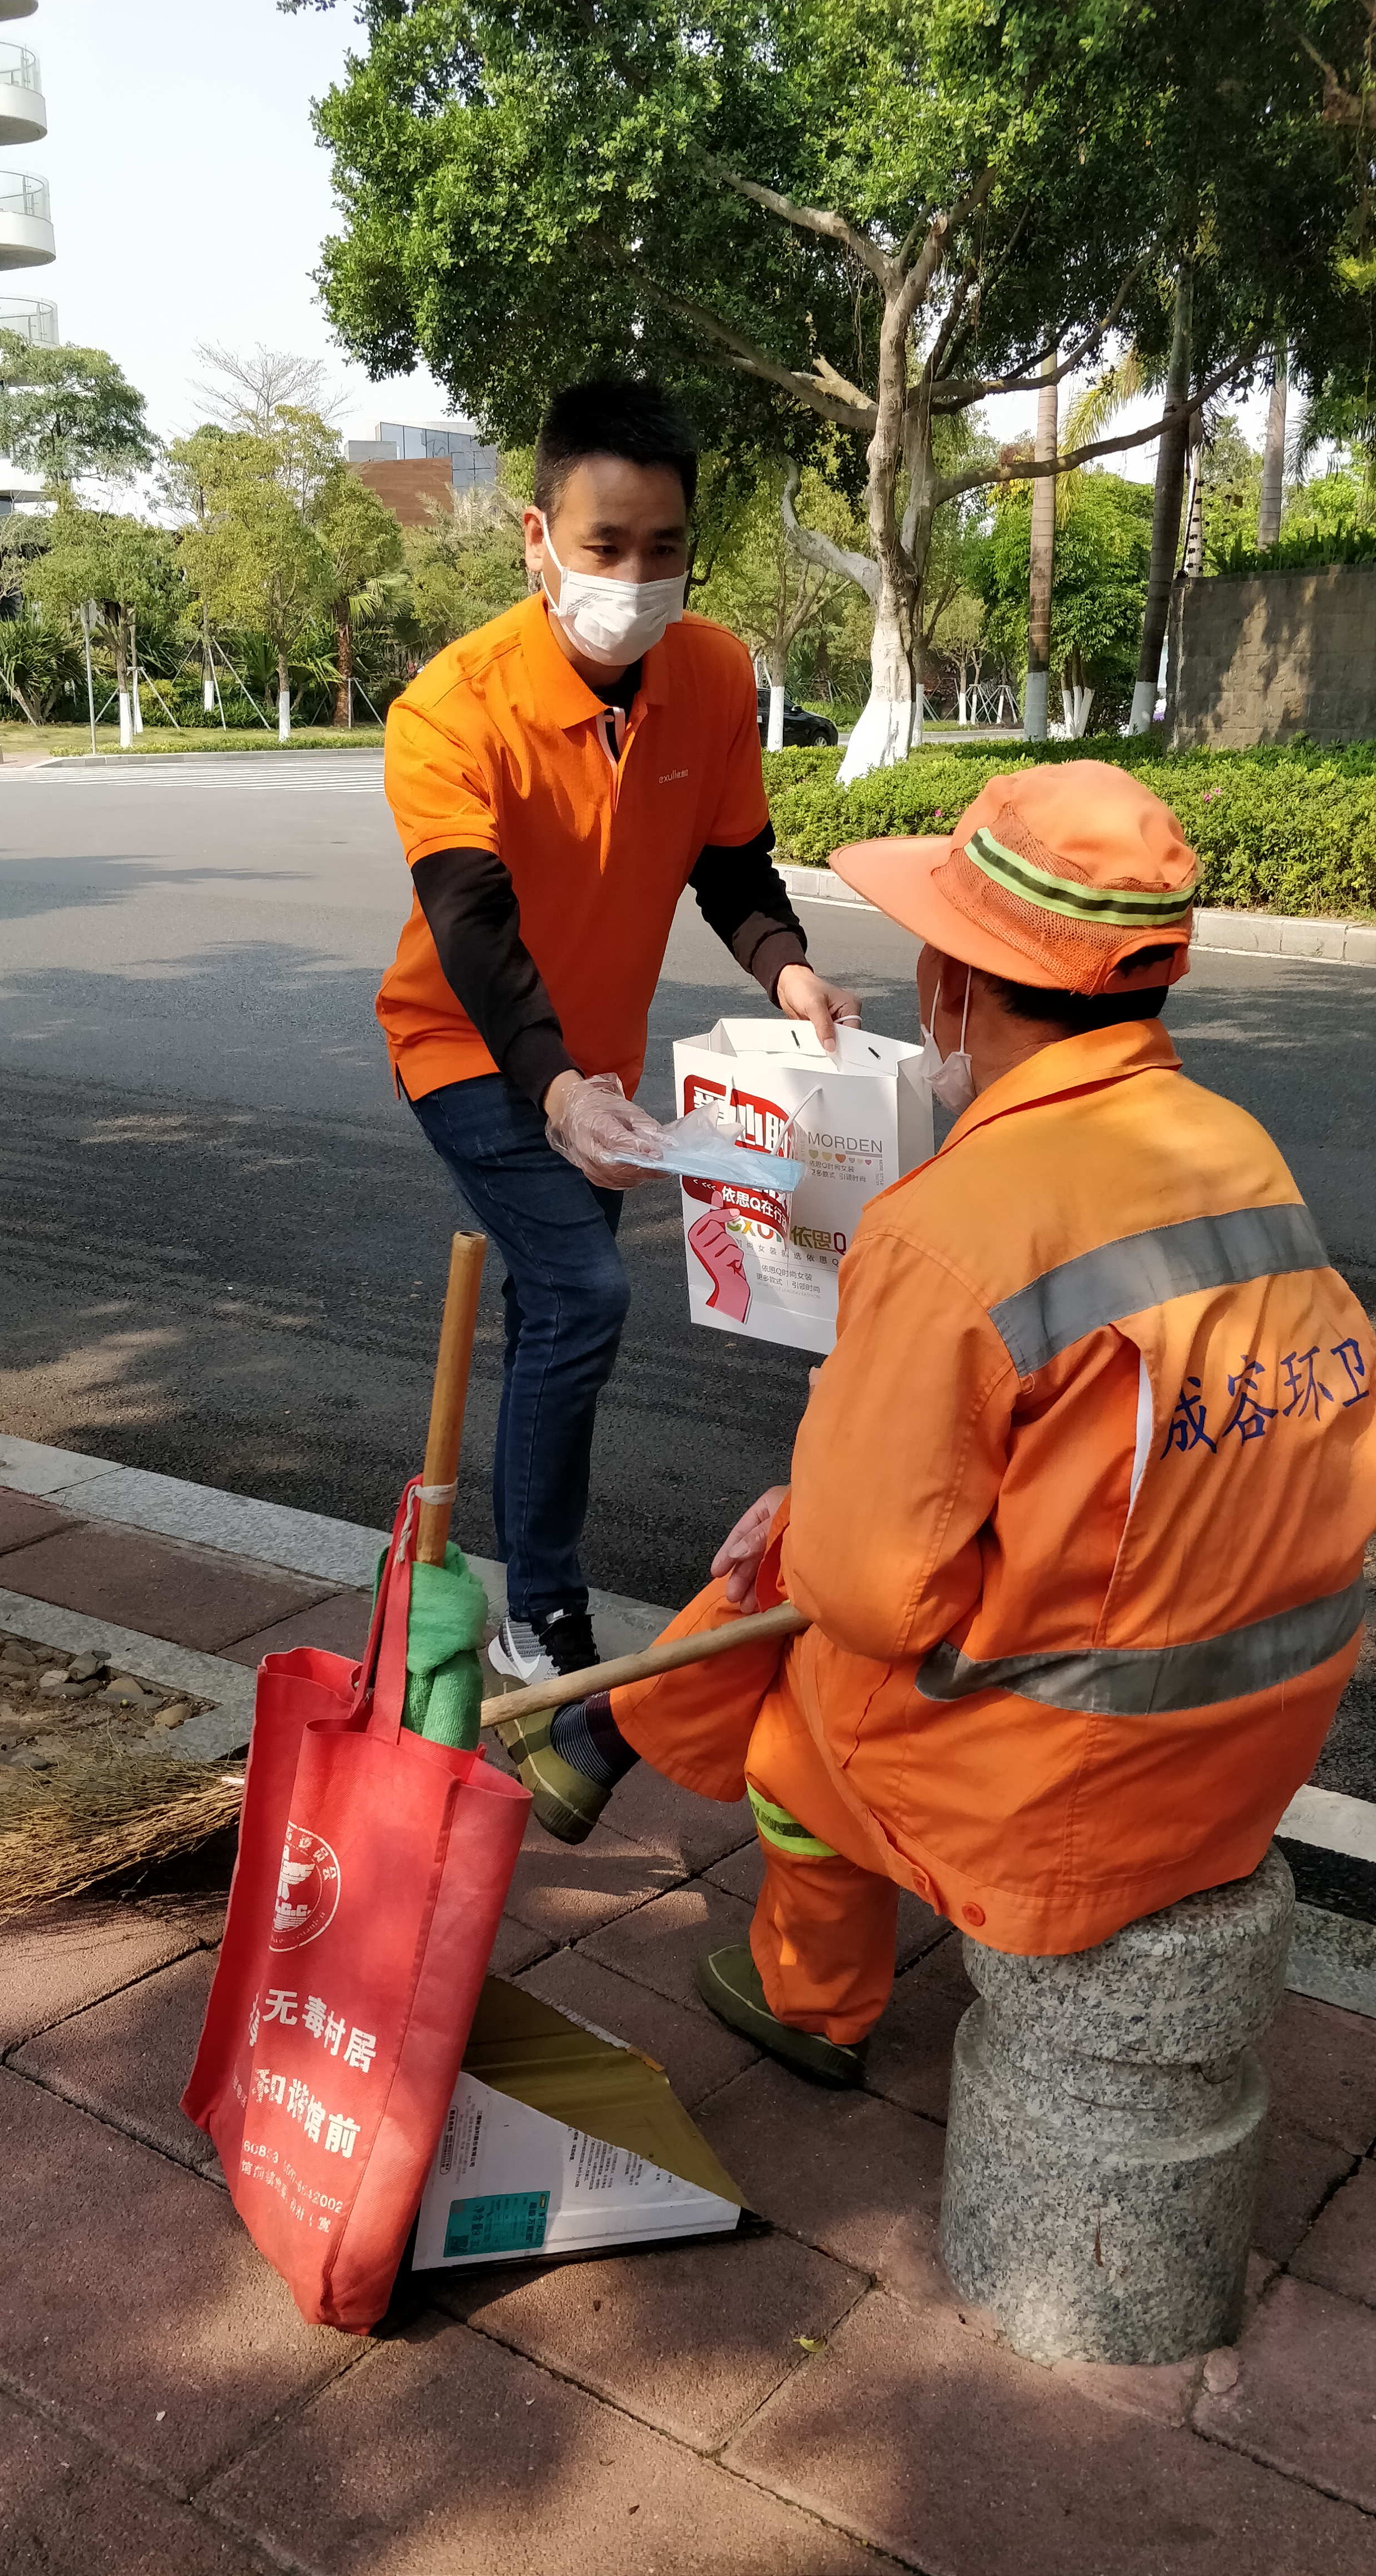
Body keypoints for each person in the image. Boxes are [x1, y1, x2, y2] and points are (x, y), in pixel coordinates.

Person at [498, 760, 1376, 2084]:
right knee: (818, 1531)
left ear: (951, 984)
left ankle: (808, 1997)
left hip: (1090, 1774)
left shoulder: (952, 1230)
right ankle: (595, 1736)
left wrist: (819, 1500)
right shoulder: (1237, 1149)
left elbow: (868, 1599)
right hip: (1263, 1728)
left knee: (801, 1705)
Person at [378, 378, 859, 1684]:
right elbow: (472, 931)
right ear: (537, 537)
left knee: (549, 1314)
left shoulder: (709, 675)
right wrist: (556, 1093)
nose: (636, 577)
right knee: (584, 1296)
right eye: (604, 546)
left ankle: (531, 1583)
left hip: (602, 1066)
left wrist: (790, 973)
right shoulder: (452, 706)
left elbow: (736, 870)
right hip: (473, 1051)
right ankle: (548, 1610)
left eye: (665, 548)